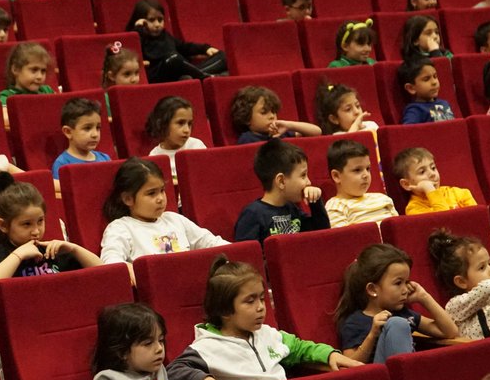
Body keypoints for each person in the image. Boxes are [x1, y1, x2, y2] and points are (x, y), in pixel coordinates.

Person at [168, 256, 359, 380]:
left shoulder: (268, 334)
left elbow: (301, 348)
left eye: (261, 298)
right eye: (250, 302)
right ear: (224, 310)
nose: (260, 307)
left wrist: (330, 355)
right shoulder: (206, 347)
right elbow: (174, 370)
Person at [336, 243, 459, 363]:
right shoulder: (355, 322)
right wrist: (372, 335)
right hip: (378, 378)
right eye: (398, 283)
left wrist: (424, 297)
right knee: (396, 323)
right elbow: (350, 365)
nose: (405, 289)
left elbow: (450, 332)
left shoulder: (403, 313)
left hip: (408, 373)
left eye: (406, 282)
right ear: (373, 289)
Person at [0, 173, 100, 290]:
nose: (36, 231)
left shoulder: (51, 251)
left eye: (40, 221)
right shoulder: (1, 254)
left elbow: (104, 272)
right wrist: (18, 255)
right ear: (3, 225)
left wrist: (74, 249)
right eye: (27, 224)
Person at [99, 158, 227, 266]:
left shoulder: (176, 220)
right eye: (151, 193)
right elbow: (111, 262)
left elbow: (211, 243)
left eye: (162, 190)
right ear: (128, 199)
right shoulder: (120, 228)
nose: (160, 198)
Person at [89, 302, 175, 380]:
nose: (159, 348)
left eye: (160, 340)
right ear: (122, 352)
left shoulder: (159, 369)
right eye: (148, 343)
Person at [234, 139, 328, 244]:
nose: (309, 182)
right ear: (281, 181)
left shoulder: (292, 209)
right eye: (303, 175)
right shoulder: (253, 214)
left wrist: (315, 202)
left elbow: (322, 236)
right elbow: (247, 256)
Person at [127, 0, 225, 83]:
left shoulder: (165, 35)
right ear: (140, 20)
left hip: (181, 70)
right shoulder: (136, 36)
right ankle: (205, 77)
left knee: (223, 56)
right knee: (173, 58)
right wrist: (138, 30)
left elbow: (184, 47)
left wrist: (205, 48)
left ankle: (196, 77)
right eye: (151, 20)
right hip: (159, 75)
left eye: (160, 20)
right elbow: (132, 54)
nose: (157, 25)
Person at [324, 139, 396, 228]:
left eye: (368, 169)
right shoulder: (335, 207)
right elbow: (344, 239)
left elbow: (398, 230)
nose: (366, 175)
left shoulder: (383, 198)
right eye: (357, 170)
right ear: (336, 176)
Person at [391, 147, 476, 215]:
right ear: (406, 184)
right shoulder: (414, 209)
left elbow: (478, 219)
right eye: (422, 172)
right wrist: (430, 190)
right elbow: (445, 221)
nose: (432, 174)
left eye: (433, 168)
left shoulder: (459, 193)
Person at [231, 86, 320, 143]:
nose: (272, 116)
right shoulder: (248, 139)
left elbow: (317, 132)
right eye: (264, 112)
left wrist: (289, 125)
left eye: (273, 111)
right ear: (246, 118)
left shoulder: (281, 132)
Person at [145, 96, 206, 173]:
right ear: (162, 124)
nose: (187, 130)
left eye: (189, 124)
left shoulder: (197, 146)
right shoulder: (155, 157)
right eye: (180, 123)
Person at [0, 42, 56, 106]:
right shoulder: (7, 97)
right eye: (34, 70)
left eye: (43, 71)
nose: (40, 76)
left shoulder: (47, 91)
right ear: (15, 69)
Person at [398, 60, 455, 125]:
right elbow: (409, 132)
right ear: (411, 88)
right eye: (426, 79)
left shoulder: (444, 103)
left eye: (435, 76)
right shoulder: (415, 110)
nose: (434, 82)